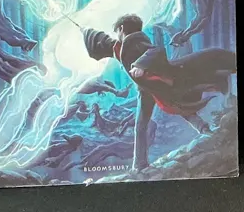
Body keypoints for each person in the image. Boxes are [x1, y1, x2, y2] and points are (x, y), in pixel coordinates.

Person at [83, 15, 235, 170]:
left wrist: (140, 65)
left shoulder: (133, 41)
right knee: (145, 123)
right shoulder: (124, 46)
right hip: (147, 89)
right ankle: (140, 164)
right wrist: (88, 33)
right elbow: (107, 49)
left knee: (174, 107)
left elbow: (156, 50)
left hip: (159, 84)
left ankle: (204, 130)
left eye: (117, 31)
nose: (115, 36)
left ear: (122, 28)